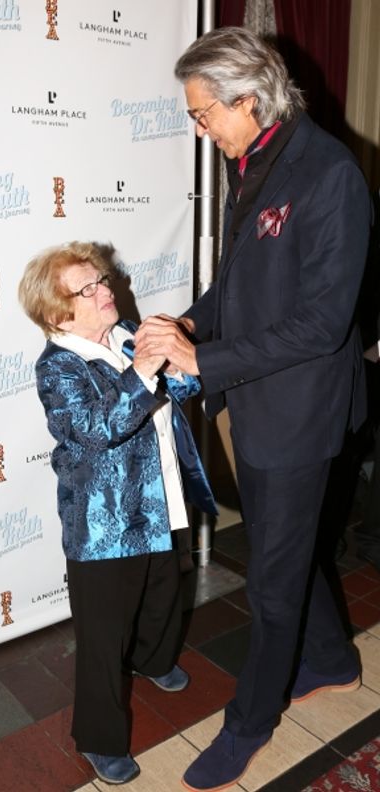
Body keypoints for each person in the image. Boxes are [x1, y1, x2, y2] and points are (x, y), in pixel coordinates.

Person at [134, 27, 372, 792]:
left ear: (248, 99)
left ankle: (249, 722)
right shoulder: (252, 159)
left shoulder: (330, 174)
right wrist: (190, 324)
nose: (198, 129)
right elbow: (240, 284)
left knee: (271, 579)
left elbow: (323, 324)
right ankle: (330, 660)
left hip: (300, 412)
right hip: (259, 397)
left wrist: (204, 360)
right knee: (283, 547)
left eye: (203, 114)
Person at [18, 241, 216, 786]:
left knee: (163, 595)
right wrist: (145, 368)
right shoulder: (58, 366)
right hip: (104, 524)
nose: (105, 290)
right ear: (60, 314)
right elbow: (94, 431)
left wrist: (175, 353)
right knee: (103, 638)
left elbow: (184, 388)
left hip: (160, 498)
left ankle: (152, 661)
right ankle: (99, 737)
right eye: (88, 288)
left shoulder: (127, 332)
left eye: (101, 280)